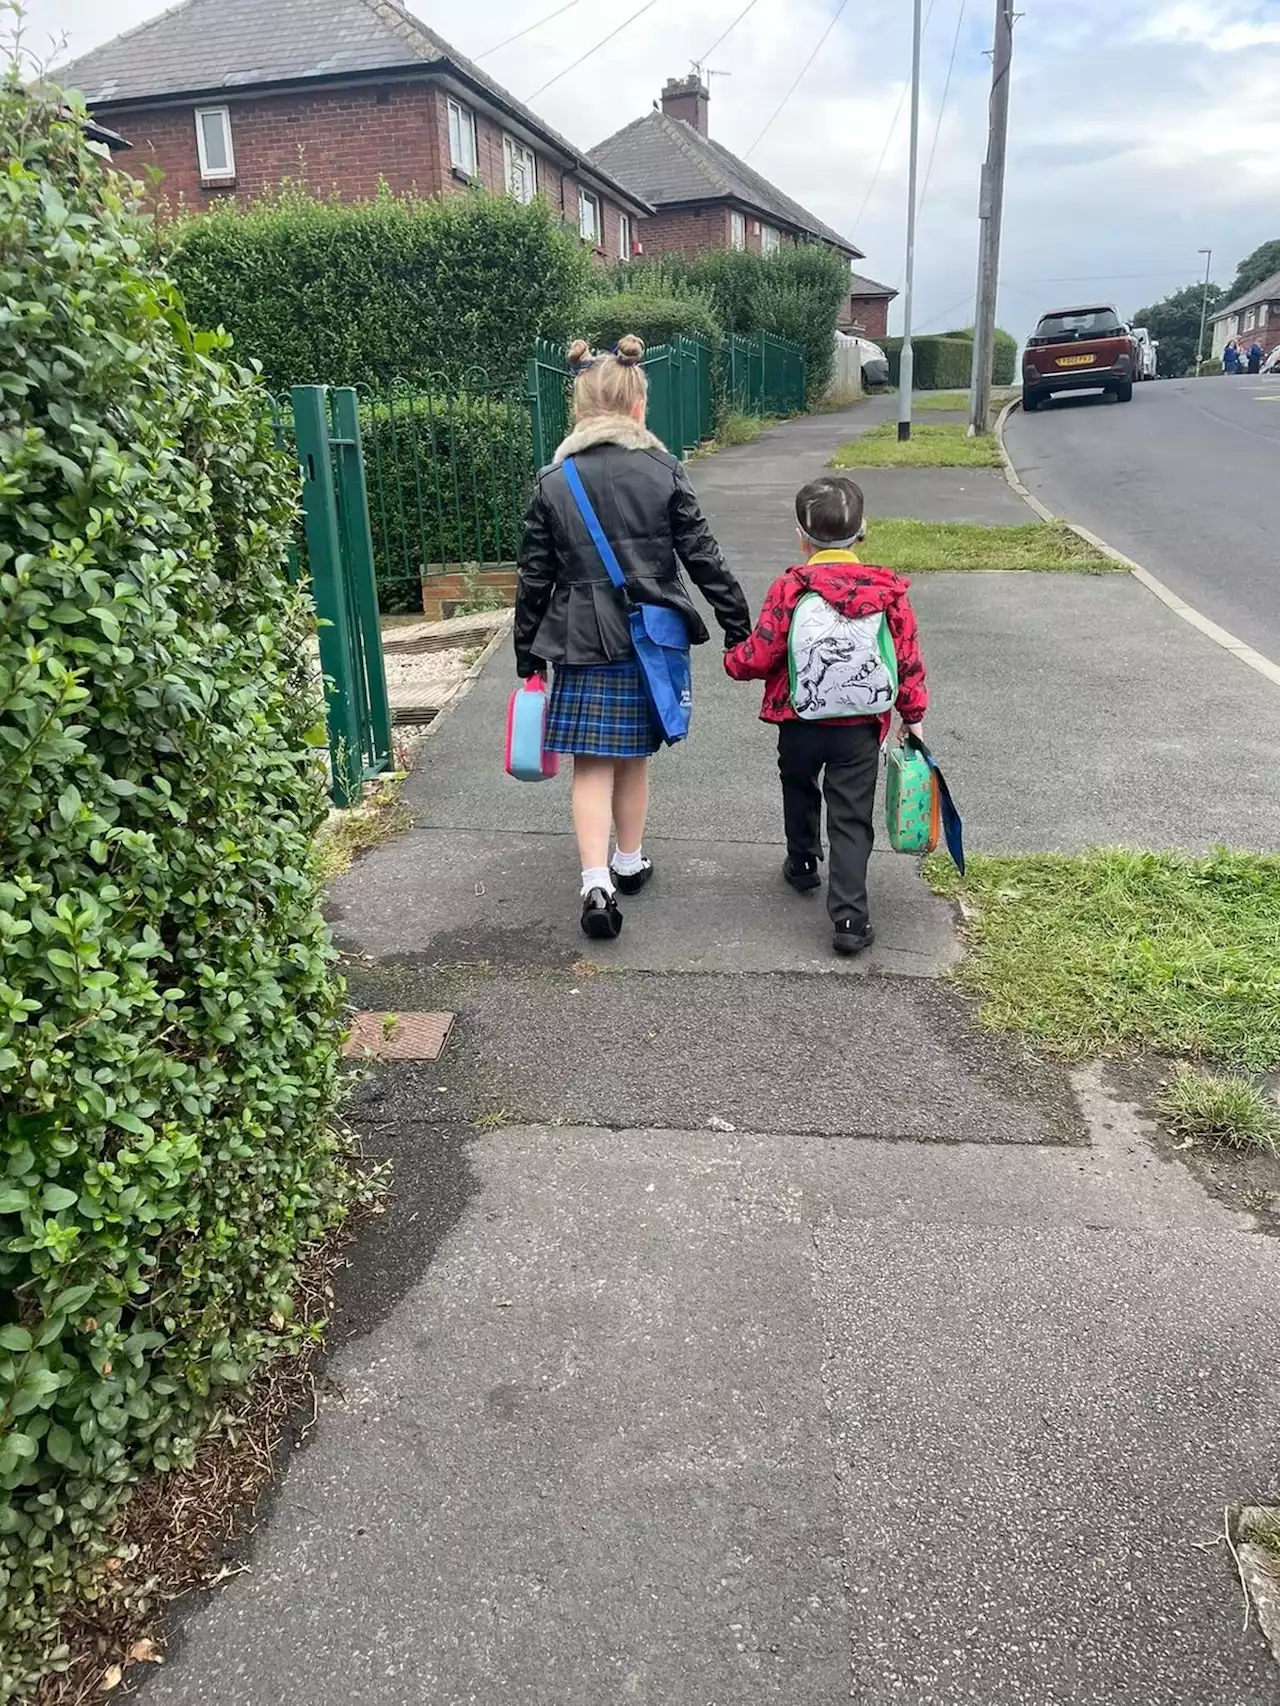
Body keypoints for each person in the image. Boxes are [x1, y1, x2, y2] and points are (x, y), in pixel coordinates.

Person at [514, 336, 751, 940]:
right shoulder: (663, 470)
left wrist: (526, 653)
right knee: (633, 758)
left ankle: (596, 881)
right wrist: (736, 623)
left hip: (578, 640)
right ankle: (630, 860)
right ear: (638, 406)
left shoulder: (553, 481)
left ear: (580, 409)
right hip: (648, 636)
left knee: (590, 764)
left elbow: (534, 577)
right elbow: (702, 555)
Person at [724, 475, 927, 957]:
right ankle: (851, 917)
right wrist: (912, 714)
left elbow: (761, 653)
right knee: (852, 815)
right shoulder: (889, 590)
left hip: (799, 718)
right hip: (859, 725)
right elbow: (907, 656)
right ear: (863, 532)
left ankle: (802, 863)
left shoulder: (791, 587)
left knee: (797, 783)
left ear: (801, 534)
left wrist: (733, 658)